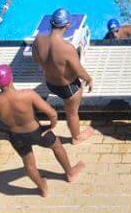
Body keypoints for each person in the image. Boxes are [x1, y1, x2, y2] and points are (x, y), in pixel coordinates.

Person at [0, 64, 85, 197]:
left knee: (29, 164)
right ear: (11, 78)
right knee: (57, 146)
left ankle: (42, 187)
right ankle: (70, 173)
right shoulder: (28, 95)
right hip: (37, 132)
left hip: (16, 137)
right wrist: (51, 126)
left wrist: (3, 133)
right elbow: (52, 113)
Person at [32, 9, 94, 144]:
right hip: (68, 88)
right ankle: (76, 137)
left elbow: (36, 60)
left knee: (68, 105)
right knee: (72, 113)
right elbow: (79, 71)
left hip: (50, 83)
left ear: (51, 23)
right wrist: (89, 79)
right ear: (67, 25)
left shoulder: (38, 39)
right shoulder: (67, 48)